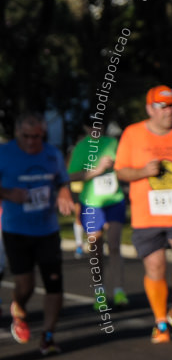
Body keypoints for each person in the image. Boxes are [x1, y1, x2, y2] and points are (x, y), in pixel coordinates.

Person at [115, 86, 172, 343]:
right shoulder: (132, 134)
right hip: (147, 214)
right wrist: (143, 172)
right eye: (163, 106)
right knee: (155, 267)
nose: (170, 111)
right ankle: (160, 321)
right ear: (149, 109)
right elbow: (121, 171)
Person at [0, 112, 74, 354]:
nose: (32, 141)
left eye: (37, 136)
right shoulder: (5, 153)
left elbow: (62, 180)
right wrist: (10, 194)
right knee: (26, 284)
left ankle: (48, 335)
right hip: (16, 229)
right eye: (27, 136)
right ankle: (18, 306)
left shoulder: (52, 154)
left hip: (47, 229)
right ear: (17, 133)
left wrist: (64, 192)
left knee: (54, 284)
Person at [67, 120, 129, 310]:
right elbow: (70, 175)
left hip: (114, 200)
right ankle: (99, 292)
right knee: (96, 248)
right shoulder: (81, 147)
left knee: (115, 244)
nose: (97, 129)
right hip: (92, 204)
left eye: (100, 125)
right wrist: (97, 170)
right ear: (86, 128)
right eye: (92, 126)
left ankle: (119, 291)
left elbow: (127, 167)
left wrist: (117, 168)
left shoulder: (112, 143)